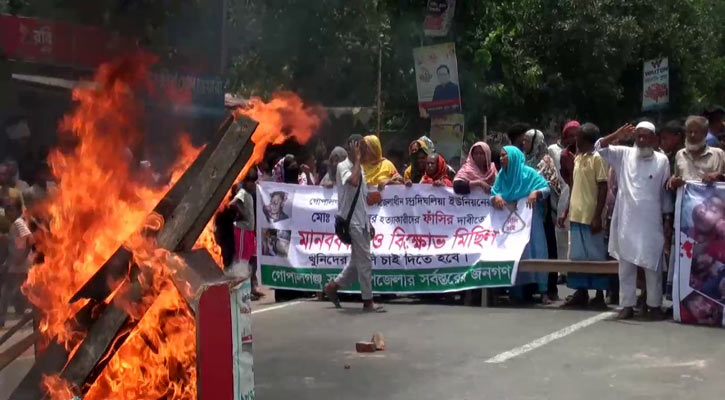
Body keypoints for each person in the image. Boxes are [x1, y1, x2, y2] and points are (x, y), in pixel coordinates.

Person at [596, 121, 671, 320]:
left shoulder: (662, 160)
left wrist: (667, 220)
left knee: (652, 264)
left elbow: (665, 192)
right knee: (626, 265)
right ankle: (627, 305)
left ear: (654, 139)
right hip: (627, 220)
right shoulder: (624, 154)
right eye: (638, 136)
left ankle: (654, 306)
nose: (641, 140)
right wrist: (615, 135)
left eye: (646, 136)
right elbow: (599, 147)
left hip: (651, 220)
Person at [324, 138, 384, 312]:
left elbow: (362, 198)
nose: (364, 152)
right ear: (352, 148)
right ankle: (368, 301)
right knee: (365, 261)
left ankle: (333, 286)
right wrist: (356, 160)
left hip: (361, 221)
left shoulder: (361, 168)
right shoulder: (344, 166)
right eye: (361, 148)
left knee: (356, 262)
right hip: (351, 223)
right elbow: (353, 181)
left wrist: (369, 222)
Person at [560, 123, 611, 309]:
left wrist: (597, 216)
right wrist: (566, 211)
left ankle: (599, 295)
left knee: (595, 255)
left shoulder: (597, 159)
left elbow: (603, 186)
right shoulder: (578, 158)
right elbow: (574, 186)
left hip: (590, 215)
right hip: (576, 214)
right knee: (578, 255)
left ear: (586, 139)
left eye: (578, 137)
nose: (575, 140)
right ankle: (580, 292)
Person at [491, 145, 551, 304]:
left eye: (505, 156)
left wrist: (535, 193)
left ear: (514, 157)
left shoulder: (528, 173)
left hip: (531, 222)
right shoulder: (502, 176)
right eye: (501, 156)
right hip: (511, 224)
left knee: (536, 251)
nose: (502, 159)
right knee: (516, 252)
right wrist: (496, 196)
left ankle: (543, 291)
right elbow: (494, 192)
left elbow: (546, 188)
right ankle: (516, 291)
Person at [549, 121, 579, 266]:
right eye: (570, 135)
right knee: (561, 233)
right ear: (565, 137)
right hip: (565, 192)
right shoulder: (561, 154)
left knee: (576, 236)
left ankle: (575, 269)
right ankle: (563, 268)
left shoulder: (589, 153)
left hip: (584, 196)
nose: (574, 138)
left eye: (577, 135)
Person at [231, 169, 265, 299]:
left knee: (253, 258)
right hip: (242, 231)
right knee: (242, 260)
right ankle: (241, 289)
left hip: (250, 232)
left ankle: (251, 287)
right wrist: (240, 213)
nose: (253, 184)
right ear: (246, 182)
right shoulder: (242, 193)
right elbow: (232, 204)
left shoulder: (251, 195)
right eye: (251, 182)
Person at [0, 197, 33, 327]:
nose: (8, 212)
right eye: (7, 209)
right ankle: (22, 313)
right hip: (15, 265)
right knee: (12, 293)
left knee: (7, 292)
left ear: (18, 211)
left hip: (21, 266)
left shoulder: (19, 223)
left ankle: (3, 318)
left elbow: (30, 240)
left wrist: (22, 257)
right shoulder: (14, 225)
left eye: (11, 209)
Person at [668, 115, 725, 188]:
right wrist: (673, 181)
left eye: (696, 132)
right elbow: (676, 178)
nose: (692, 135)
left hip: (713, 198)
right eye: (690, 132)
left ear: (705, 133)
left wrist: (720, 176)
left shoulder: (718, 154)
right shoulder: (680, 154)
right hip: (686, 198)